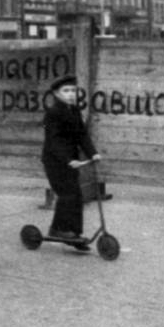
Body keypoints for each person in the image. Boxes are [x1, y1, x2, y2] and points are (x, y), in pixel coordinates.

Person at [42, 75, 100, 247]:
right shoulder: (53, 113)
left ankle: (73, 233)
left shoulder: (73, 110)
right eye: (66, 91)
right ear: (56, 94)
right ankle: (59, 230)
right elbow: (53, 141)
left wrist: (93, 153)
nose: (71, 94)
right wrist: (68, 160)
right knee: (67, 194)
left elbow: (81, 134)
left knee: (76, 196)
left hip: (71, 161)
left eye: (73, 90)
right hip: (56, 161)